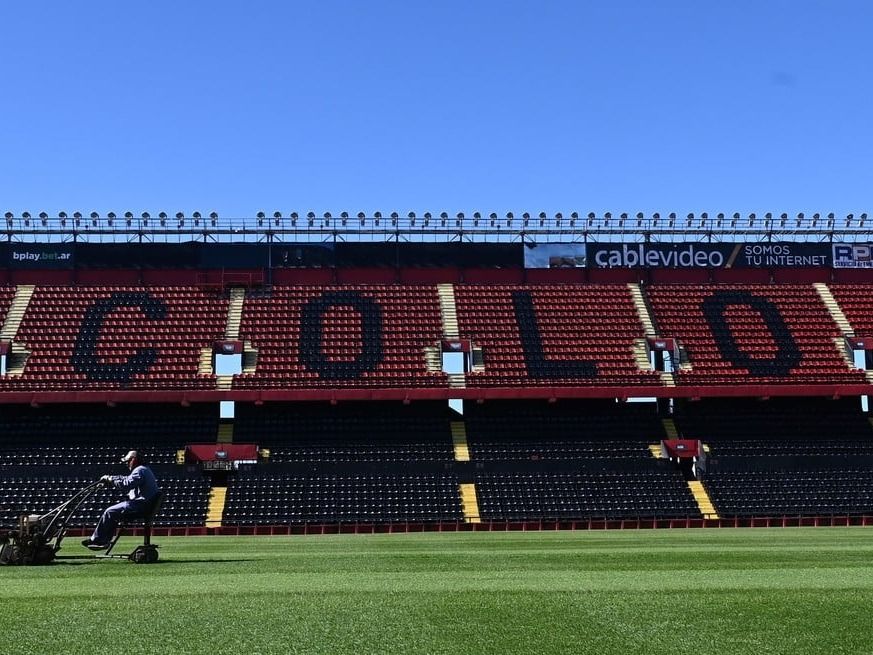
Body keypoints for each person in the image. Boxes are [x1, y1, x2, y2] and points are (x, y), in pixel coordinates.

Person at [82, 450, 160, 550]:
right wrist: (112, 478)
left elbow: (126, 484)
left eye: (128, 461)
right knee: (113, 512)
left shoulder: (140, 470)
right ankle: (103, 540)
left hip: (140, 505)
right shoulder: (144, 469)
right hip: (143, 505)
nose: (127, 464)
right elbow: (126, 478)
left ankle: (99, 540)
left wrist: (110, 479)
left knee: (110, 512)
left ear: (134, 460)